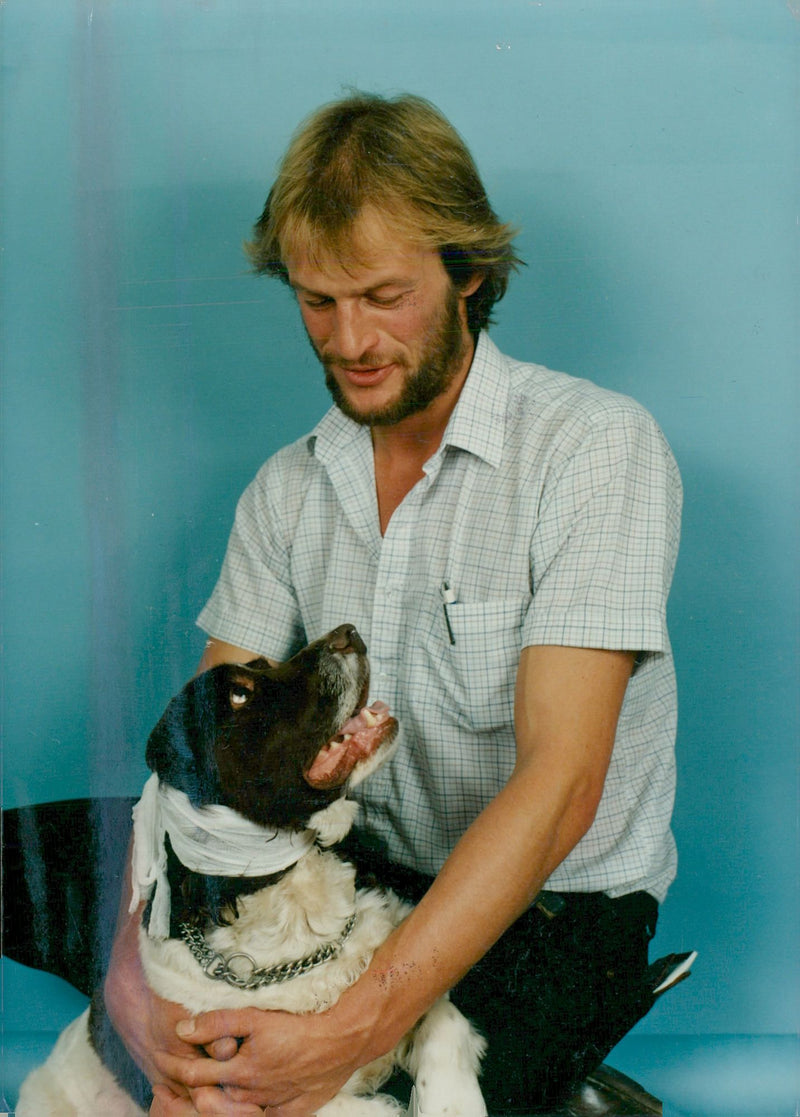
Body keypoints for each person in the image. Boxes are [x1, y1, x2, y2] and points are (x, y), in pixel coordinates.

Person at [104, 92, 682, 1117]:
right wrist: (134, 996)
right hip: (354, 877)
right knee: (58, 854)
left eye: (381, 295)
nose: (349, 339)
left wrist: (350, 1033)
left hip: (554, 909)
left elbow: (562, 784)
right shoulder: (286, 488)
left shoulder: (595, 448)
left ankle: (561, 1073)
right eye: (317, 302)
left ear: (467, 274)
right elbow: (199, 765)